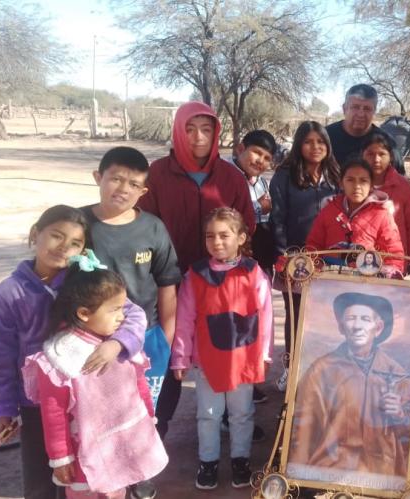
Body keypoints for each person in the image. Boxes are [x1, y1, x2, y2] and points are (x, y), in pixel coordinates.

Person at [0, 206, 146, 499]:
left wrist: (117, 343)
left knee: (92, 473)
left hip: (90, 399)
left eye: (75, 243)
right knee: (41, 481)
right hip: (37, 405)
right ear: (36, 234)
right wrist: (3, 409)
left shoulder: (86, 282)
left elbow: (133, 316)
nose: (64, 247)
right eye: (56, 236)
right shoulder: (11, 292)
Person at [136, 101, 256, 438]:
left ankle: (232, 422)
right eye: (189, 129)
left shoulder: (231, 176)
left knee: (223, 349)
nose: (198, 137)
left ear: (216, 132)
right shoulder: (158, 173)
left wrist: (229, 265)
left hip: (220, 283)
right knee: (168, 352)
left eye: (206, 129)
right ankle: (155, 430)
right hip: (168, 282)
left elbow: (246, 223)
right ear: (178, 131)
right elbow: (144, 225)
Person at [21, 255, 167, 498]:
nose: (123, 316)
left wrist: (148, 419)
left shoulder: (119, 344)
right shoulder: (60, 357)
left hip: (123, 444)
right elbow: (53, 413)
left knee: (118, 490)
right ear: (84, 313)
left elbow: (139, 384)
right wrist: (60, 457)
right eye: (115, 310)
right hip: (83, 455)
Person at [80, 147, 180, 499]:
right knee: (97, 409)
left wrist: (165, 339)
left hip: (146, 336)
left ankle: (141, 469)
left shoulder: (152, 228)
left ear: (143, 192)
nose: (123, 189)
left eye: (133, 184)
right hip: (90, 340)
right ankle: (102, 468)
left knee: (144, 410)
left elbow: (167, 285)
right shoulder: (79, 225)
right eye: (116, 179)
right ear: (98, 178)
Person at [170, 208, 273, 490]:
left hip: (243, 358)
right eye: (210, 236)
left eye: (224, 235)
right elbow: (185, 318)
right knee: (209, 414)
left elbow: (265, 316)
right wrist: (180, 356)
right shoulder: (196, 275)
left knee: (242, 413)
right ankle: (209, 462)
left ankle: (241, 459)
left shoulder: (254, 273)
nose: (217, 242)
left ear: (241, 237)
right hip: (208, 360)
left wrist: (264, 354)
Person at [287, 292, 410, 484]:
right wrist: (296, 476)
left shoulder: (397, 376)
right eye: (351, 319)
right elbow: (303, 427)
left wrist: (399, 414)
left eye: (365, 319)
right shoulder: (321, 370)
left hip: (382, 472)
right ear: (341, 327)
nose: (357, 326)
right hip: (332, 468)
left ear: (378, 328)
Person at [270, 121, 340, 390]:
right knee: (296, 316)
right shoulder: (285, 175)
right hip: (296, 261)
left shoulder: (335, 174)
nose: (315, 147)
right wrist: (285, 257)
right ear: (299, 144)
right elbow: (277, 219)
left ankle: (322, 370)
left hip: (330, 262)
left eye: (320, 142)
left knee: (325, 317)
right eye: (309, 142)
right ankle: (291, 368)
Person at [305, 158, 405, 273]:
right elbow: (314, 245)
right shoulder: (328, 211)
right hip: (330, 280)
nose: (357, 186)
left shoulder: (381, 214)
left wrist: (388, 274)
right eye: (350, 180)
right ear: (341, 183)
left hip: (367, 283)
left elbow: (393, 253)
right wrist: (314, 267)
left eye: (363, 181)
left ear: (372, 185)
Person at [361, 132, 410, 258]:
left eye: (382, 154)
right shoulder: (355, 184)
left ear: (391, 157)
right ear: (362, 156)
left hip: (396, 259)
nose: (376, 159)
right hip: (361, 260)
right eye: (370, 154)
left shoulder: (403, 186)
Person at [326, 84, 405, 175]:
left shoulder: (387, 143)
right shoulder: (325, 138)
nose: (361, 114)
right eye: (355, 107)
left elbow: (401, 181)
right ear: (344, 108)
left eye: (367, 109)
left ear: (374, 111)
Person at [232, 129, 278, 277]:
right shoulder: (227, 175)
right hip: (237, 252)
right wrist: (258, 206)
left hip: (262, 255)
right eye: (257, 153)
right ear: (240, 149)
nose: (260, 161)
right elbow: (225, 213)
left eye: (267, 158)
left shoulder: (262, 181)